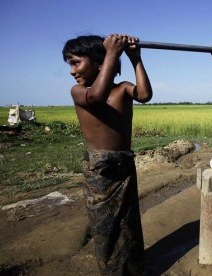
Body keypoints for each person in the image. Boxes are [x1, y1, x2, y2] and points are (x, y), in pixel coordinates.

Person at [62, 34, 152, 275]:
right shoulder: (79, 92)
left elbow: (144, 95)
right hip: (99, 171)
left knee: (129, 222)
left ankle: (134, 268)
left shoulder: (123, 89)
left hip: (124, 165)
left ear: (99, 64)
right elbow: (97, 97)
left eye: (76, 63)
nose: (72, 71)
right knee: (106, 228)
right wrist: (113, 52)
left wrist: (136, 60)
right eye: (70, 64)